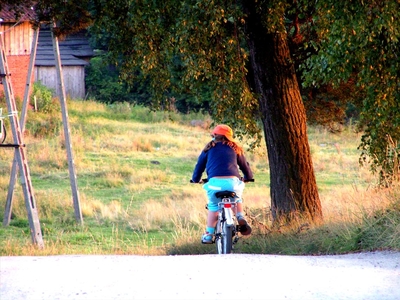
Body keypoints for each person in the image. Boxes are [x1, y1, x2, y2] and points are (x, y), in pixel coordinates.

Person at [191, 124, 254, 244]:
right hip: (233, 184)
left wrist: (195, 179)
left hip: (214, 184)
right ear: (229, 137)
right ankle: (240, 216)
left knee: (213, 207)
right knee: (236, 199)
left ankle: (209, 234)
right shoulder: (235, 148)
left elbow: (199, 166)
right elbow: (244, 165)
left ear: (214, 135)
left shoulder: (209, 148)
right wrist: (248, 177)